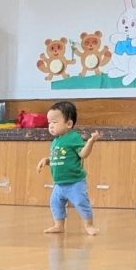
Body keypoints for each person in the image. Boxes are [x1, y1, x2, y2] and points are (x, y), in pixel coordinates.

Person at [37, 100, 100, 236]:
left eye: (54, 122)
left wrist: (90, 142)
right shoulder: (56, 141)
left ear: (69, 124)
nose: (51, 126)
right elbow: (57, 159)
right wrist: (46, 160)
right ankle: (59, 225)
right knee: (55, 203)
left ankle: (89, 225)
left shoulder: (73, 138)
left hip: (75, 182)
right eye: (49, 123)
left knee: (81, 202)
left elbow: (83, 154)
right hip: (59, 183)